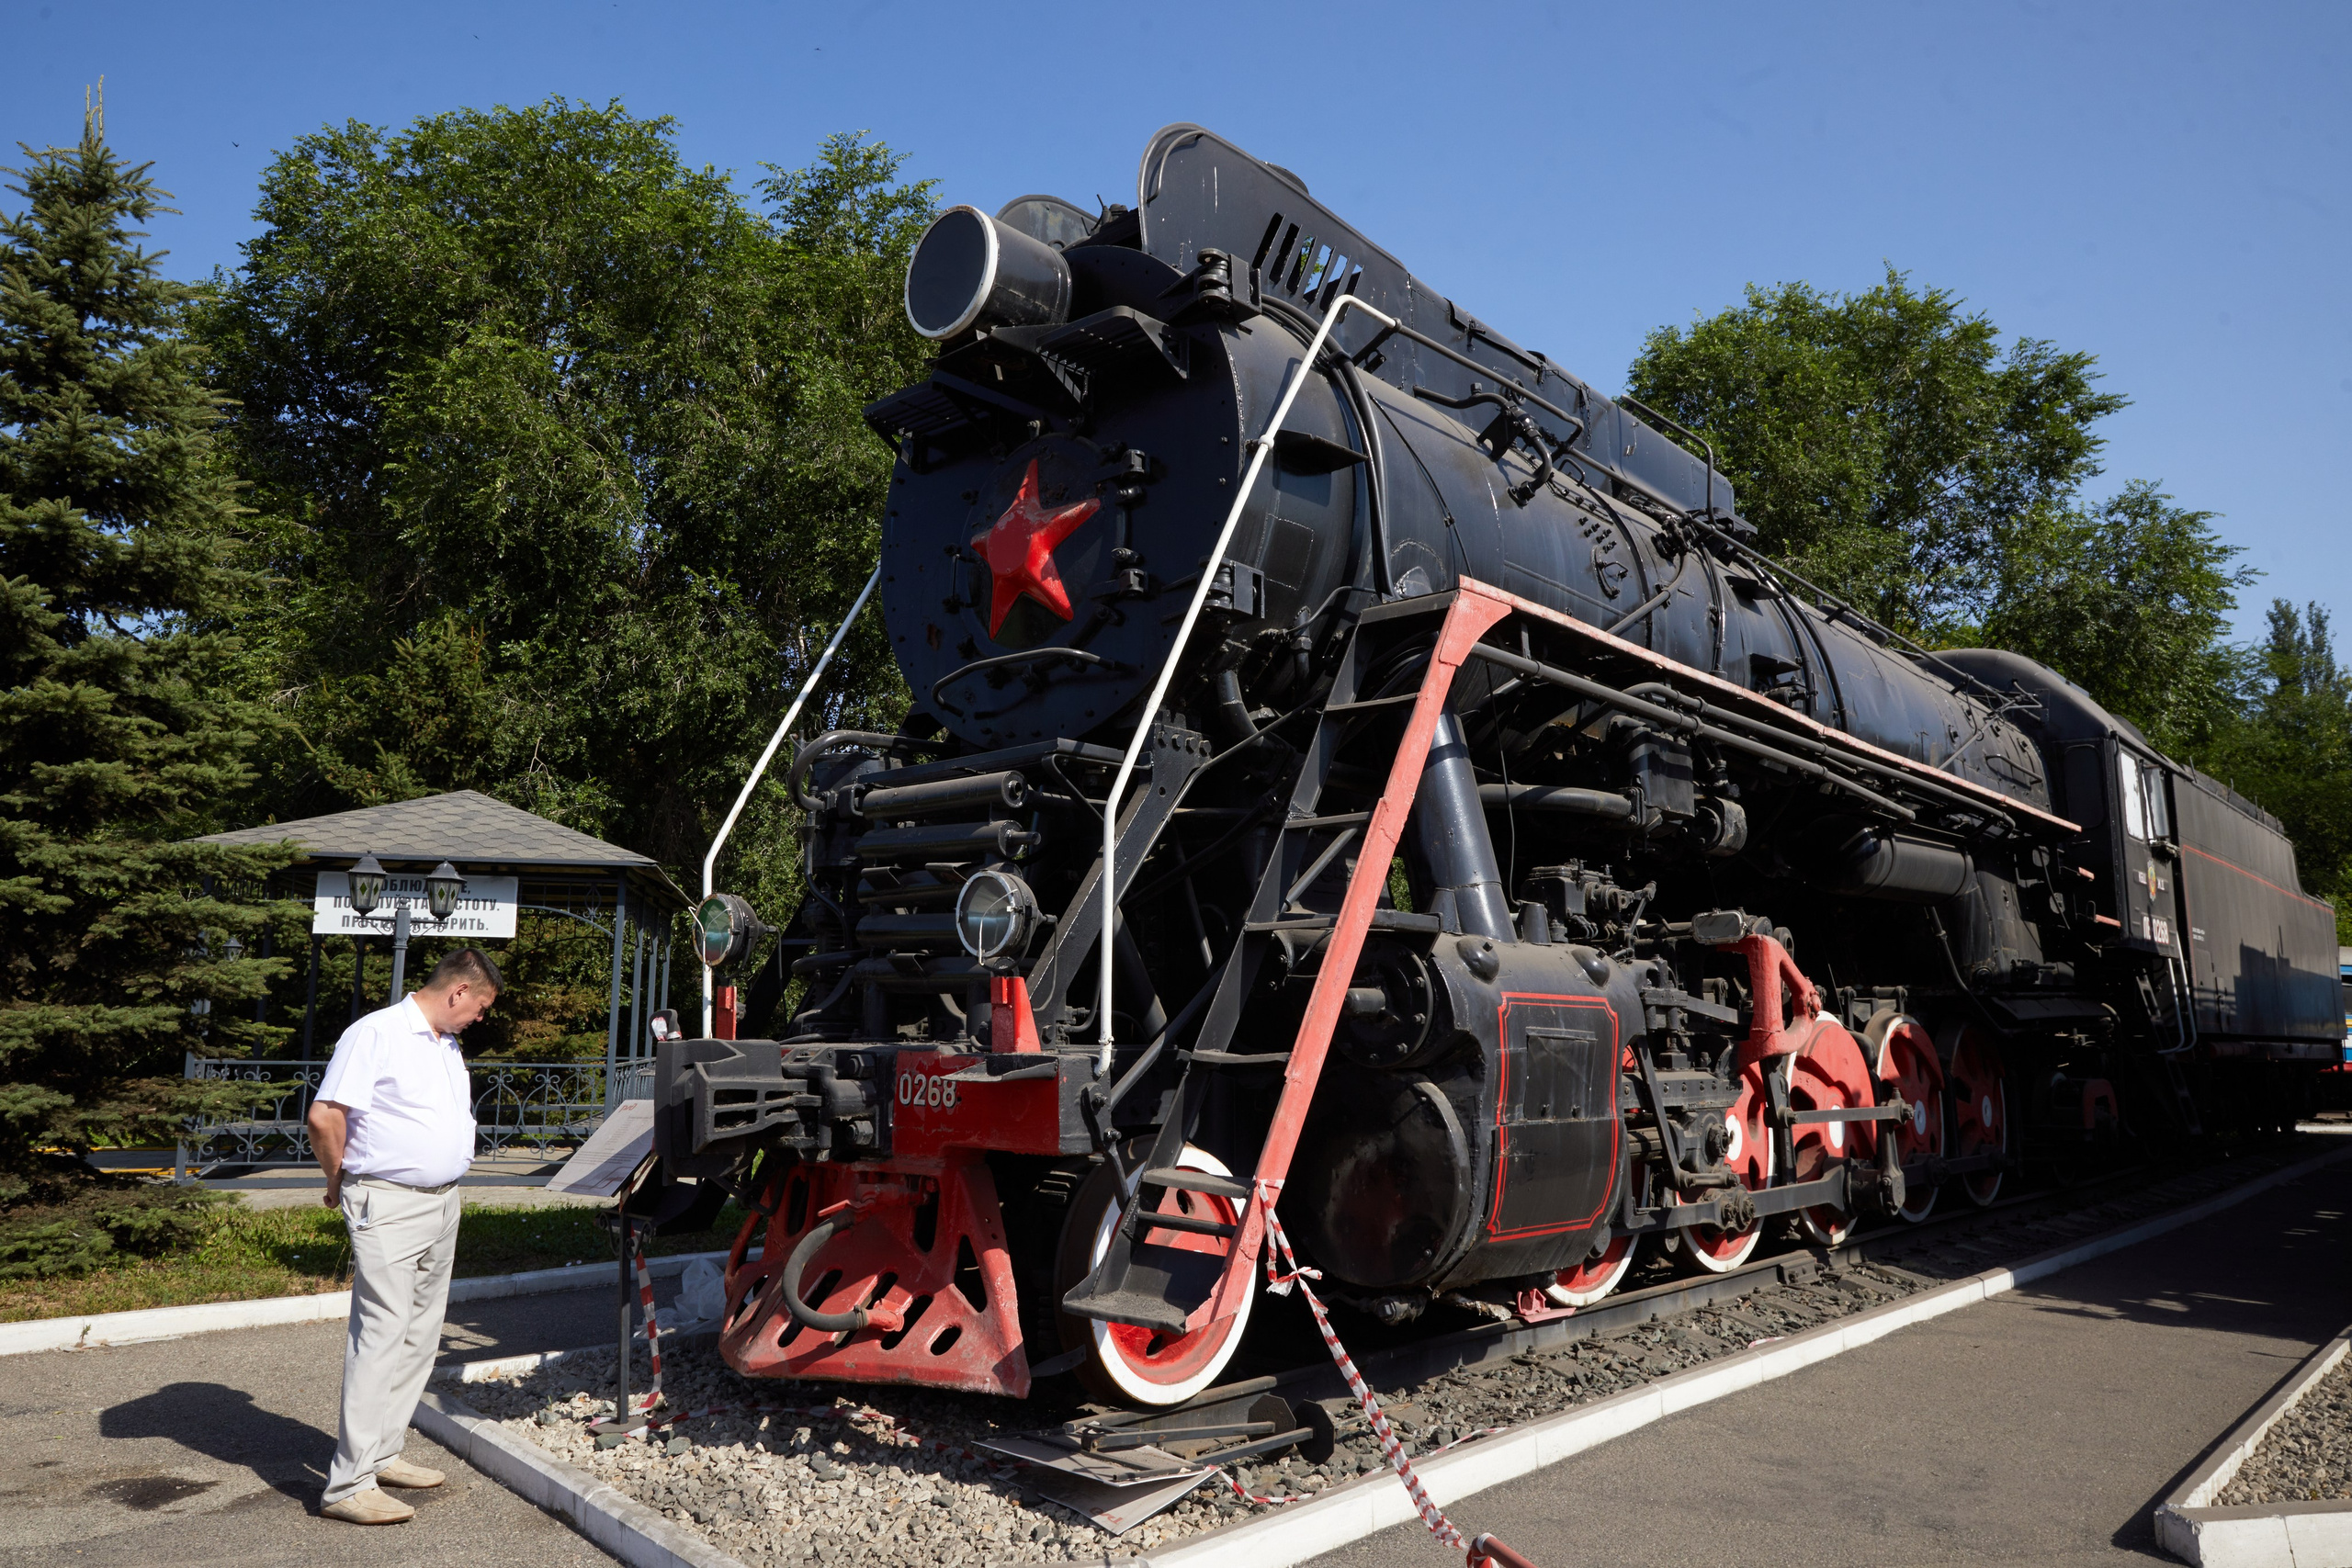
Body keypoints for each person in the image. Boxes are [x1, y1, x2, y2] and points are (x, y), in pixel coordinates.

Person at [305, 946, 500, 1525]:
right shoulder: (377, 1033)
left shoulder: (446, 1044)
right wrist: (338, 1179)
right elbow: (325, 1115)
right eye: (481, 1007)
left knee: (419, 1335)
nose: (480, 1019)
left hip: (441, 1202)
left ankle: (382, 1455)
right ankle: (347, 1485)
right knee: (382, 1337)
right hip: (388, 1201)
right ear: (459, 991)